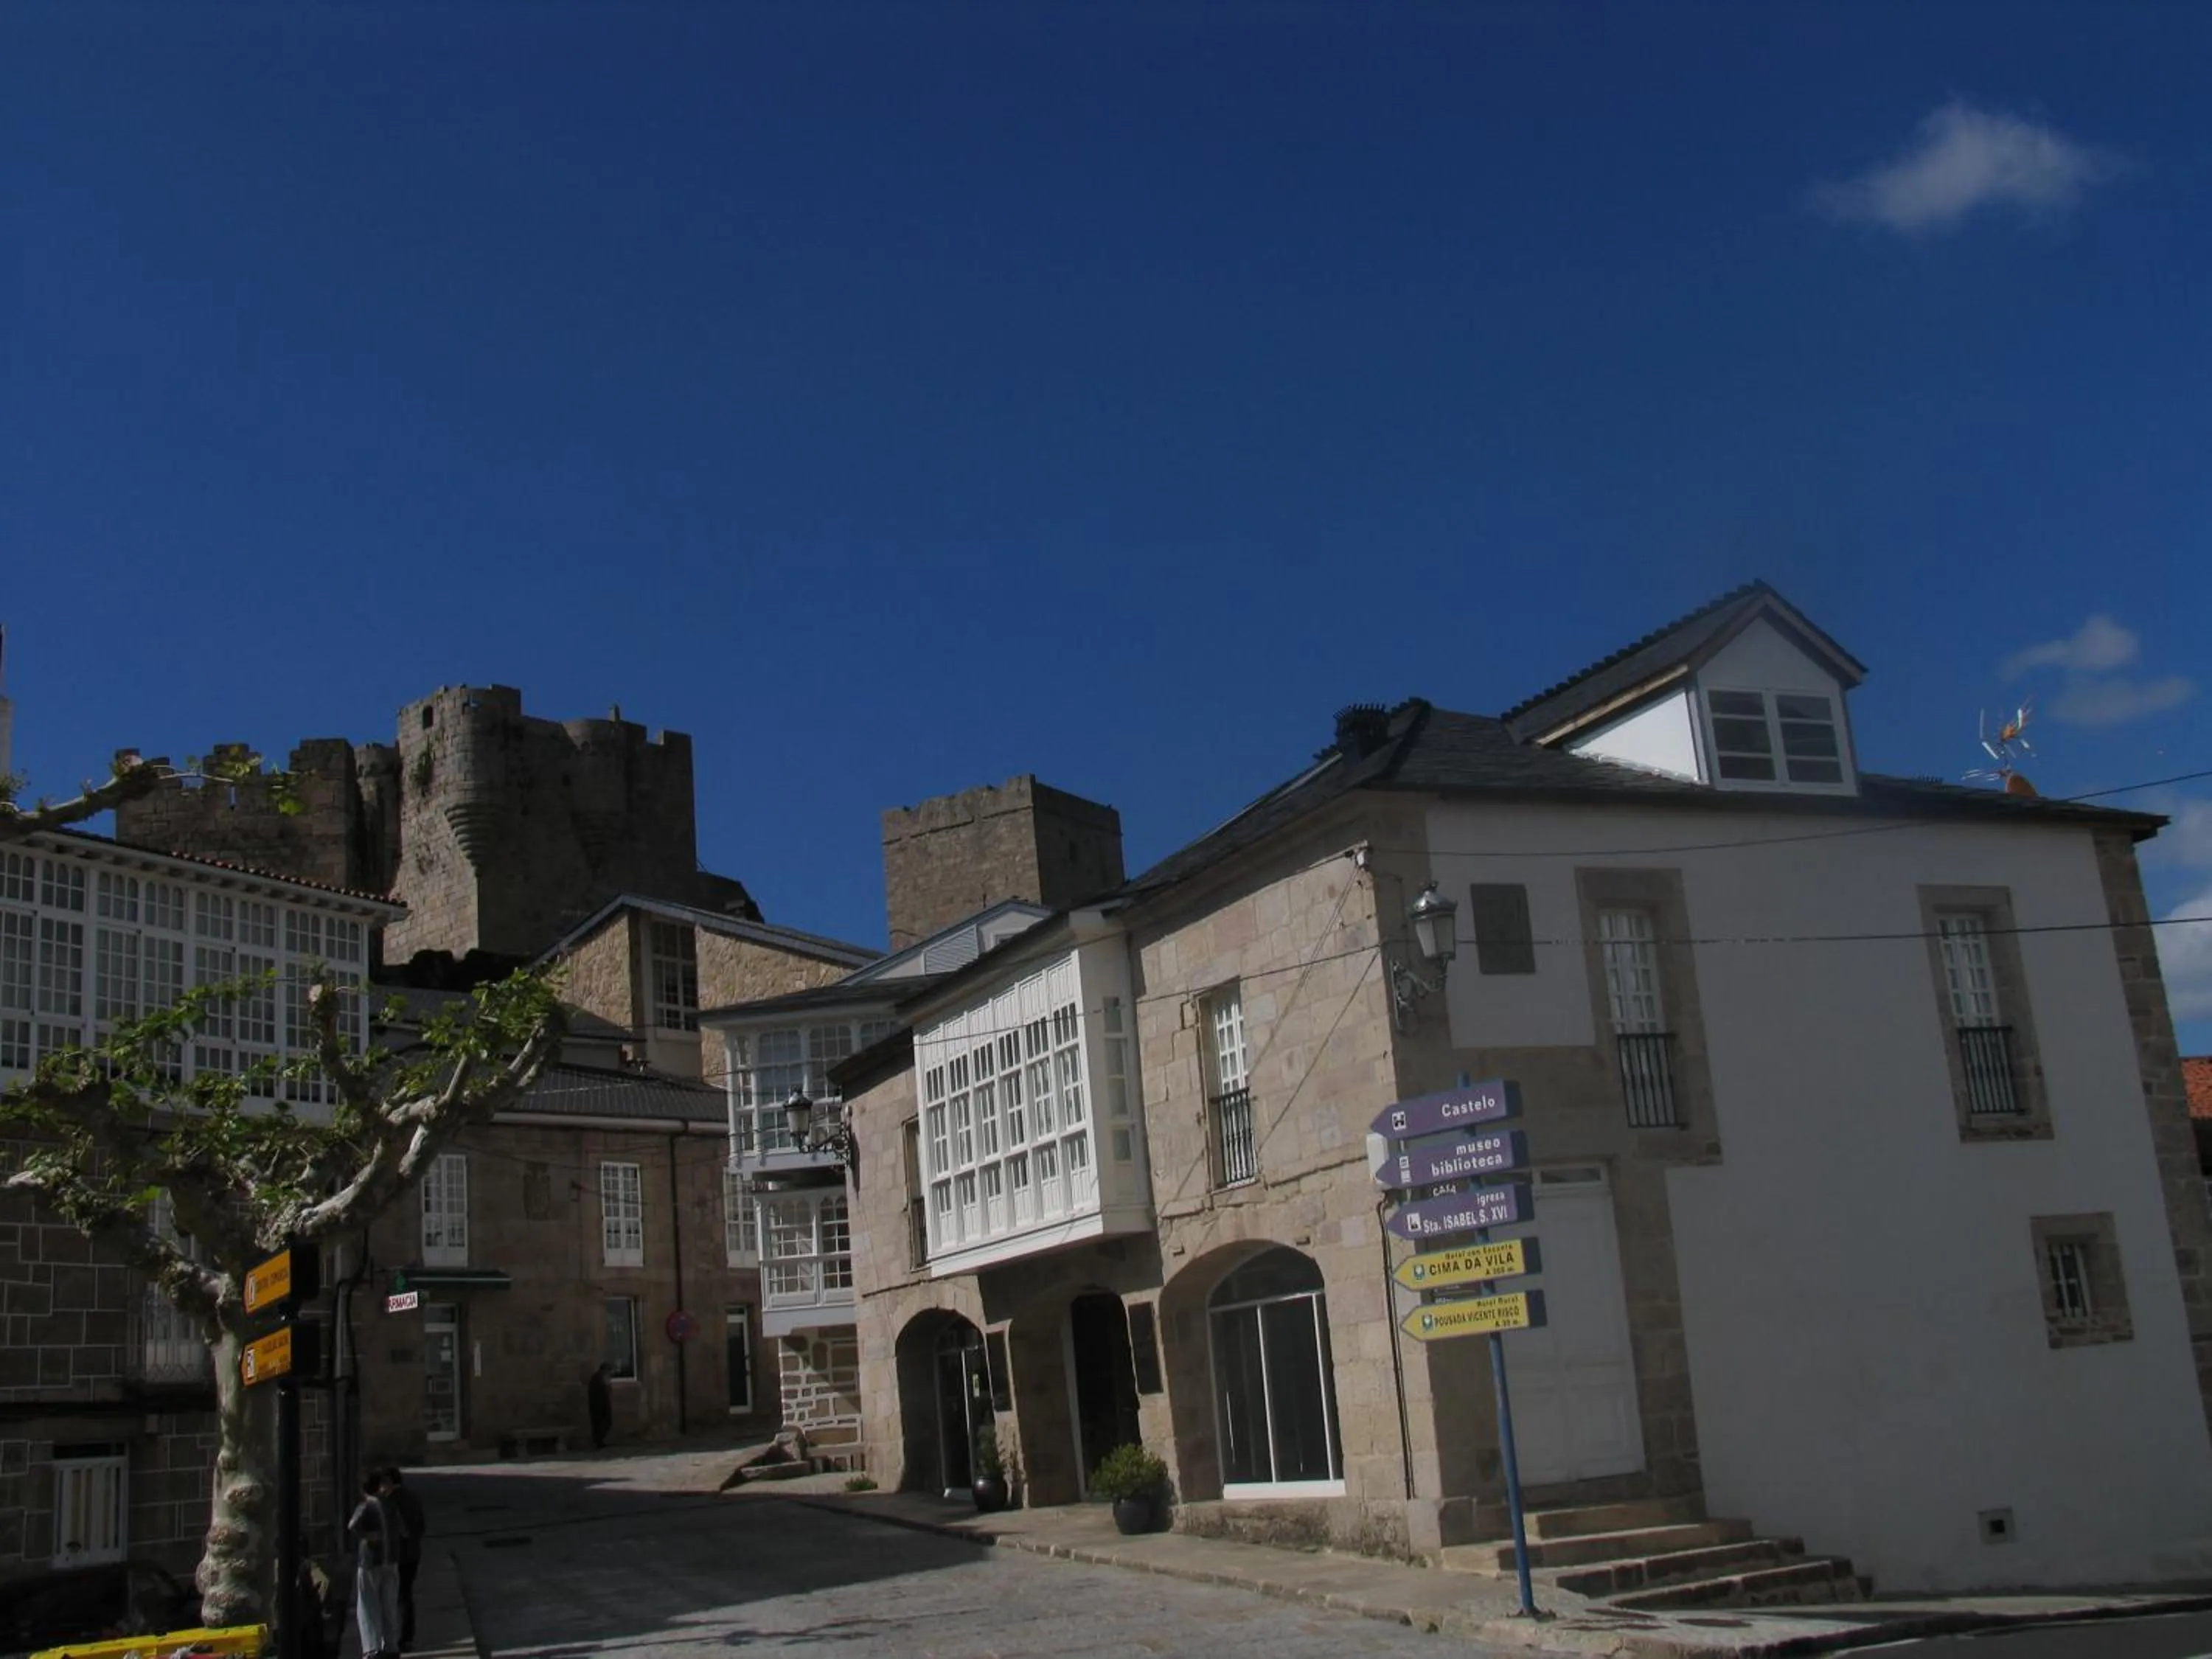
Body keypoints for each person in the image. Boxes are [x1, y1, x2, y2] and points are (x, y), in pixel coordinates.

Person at [347, 1472, 403, 1659]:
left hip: (371, 1562)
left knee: (369, 1605)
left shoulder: (367, 1505)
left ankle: (372, 1648)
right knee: (389, 1605)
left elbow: (352, 1525)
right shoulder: (390, 1505)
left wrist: (366, 1536)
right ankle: (391, 1645)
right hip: (390, 1560)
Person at [380, 1467, 425, 1651]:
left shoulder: (389, 1502)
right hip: (413, 1554)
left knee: (395, 1596)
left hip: (396, 1556)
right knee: (406, 1594)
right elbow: (422, 1526)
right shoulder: (413, 1497)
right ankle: (407, 1636)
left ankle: (396, 1637)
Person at [587, 1362, 613, 1450]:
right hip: (600, 1405)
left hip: (596, 1404)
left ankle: (598, 1441)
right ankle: (598, 1441)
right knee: (604, 1423)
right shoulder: (601, 1377)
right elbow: (606, 1389)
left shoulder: (596, 1377)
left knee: (598, 1424)